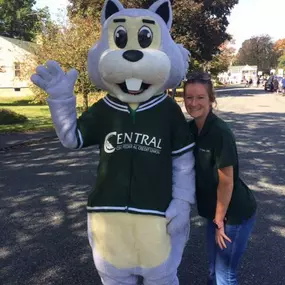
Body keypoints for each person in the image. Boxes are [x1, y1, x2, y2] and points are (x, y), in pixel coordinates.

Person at [183, 72, 257, 285]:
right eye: (189, 97)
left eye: (200, 97)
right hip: (215, 213)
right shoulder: (190, 130)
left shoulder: (220, 132)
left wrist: (219, 222)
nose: (193, 103)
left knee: (225, 275)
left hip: (233, 214)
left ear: (211, 99)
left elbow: (226, 181)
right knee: (213, 270)